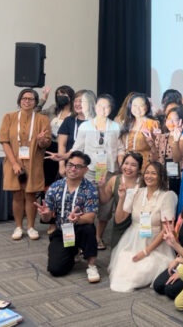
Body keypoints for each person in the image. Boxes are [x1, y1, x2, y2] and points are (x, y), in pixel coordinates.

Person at [47, 93, 123, 249]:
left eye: (106, 106)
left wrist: (123, 166)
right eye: (100, 106)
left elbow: (121, 149)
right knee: (85, 204)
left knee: (106, 206)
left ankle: (97, 237)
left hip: (108, 171)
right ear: (95, 107)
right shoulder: (85, 126)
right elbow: (76, 149)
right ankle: (83, 236)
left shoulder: (116, 127)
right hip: (88, 171)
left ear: (111, 109)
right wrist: (62, 156)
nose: (103, 109)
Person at [108, 162, 177, 292]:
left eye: (153, 173)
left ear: (161, 176)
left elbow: (166, 230)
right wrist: (122, 198)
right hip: (133, 239)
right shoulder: (136, 192)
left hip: (155, 243)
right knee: (122, 271)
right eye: (147, 172)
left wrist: (146, 252)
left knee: (140, 273)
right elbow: (118, 219)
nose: (149, 176)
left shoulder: (167, 196)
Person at [34, 151, 100, 282]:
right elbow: (46, 219)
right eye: (70, 165)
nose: (73, 169)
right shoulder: (55, 187)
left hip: (80, 228)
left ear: (85, 170)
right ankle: (73, 252)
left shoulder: (90, 189)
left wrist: (78, 219)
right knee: (56, 270)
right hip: (62, 231)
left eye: (78, 166)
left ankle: (92, 265)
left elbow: (91, 217)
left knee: (88, 229)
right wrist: (46, 215)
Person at [0, 88, 51, 240]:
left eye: (31, 99)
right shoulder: (9, 117)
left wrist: (41, 140)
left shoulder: (42, 119)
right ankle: (18, 227)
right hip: (13, 162)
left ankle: (31, 227)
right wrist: (14, 163)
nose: (27, 101)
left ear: (35, 102)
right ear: (19, 100)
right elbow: (4, 141)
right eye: (24, 98)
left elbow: (46, 143)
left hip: (34, 163)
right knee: (17, 195)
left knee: (31, 195)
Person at [97, 152, 144, 247]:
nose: (128, 168)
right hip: (119, 224)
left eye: (133, 165)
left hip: (138, 224)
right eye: (126, 163)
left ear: (139, 168)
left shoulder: (143, 182)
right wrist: (101, 187)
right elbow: (104, 200)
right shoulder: (115, 180)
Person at [39, 85, 75, 187]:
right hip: (51, 147)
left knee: (64, 178)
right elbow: (35, 113)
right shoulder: (53, 108)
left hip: (67, 148)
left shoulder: (75, 113)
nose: (60, 96)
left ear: (70, 96)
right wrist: (43, 99)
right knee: (48, 180)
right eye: (58, 94)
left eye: (63, 94)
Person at [57, 90, 95, 178]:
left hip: (93, 168)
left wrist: (101, 173)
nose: (77, 104)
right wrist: (62, 165)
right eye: (75, 101)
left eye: (81, 101)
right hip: (71, 167)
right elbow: (62, 145)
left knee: (95, 190)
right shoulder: (68, 121)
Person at [118, 93, 160, 171]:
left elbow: (157, 150)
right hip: (127, 167)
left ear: (147, 107)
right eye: (134, 105)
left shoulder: (152, 123)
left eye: (141, 105)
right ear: (130, 107)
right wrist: (122, 165)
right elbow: (121, 148)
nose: (137, 109)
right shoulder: (126, 123)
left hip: (145, 167)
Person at [155, 105, 183, 194]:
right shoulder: (160, 137)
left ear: (182, 121)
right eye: (169, 119)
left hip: (181, 178)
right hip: (163, 178)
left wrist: (176, 140)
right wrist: (151, 145)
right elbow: (153, 159)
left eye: (175, 119)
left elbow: (177, 158)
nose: (171, 122)